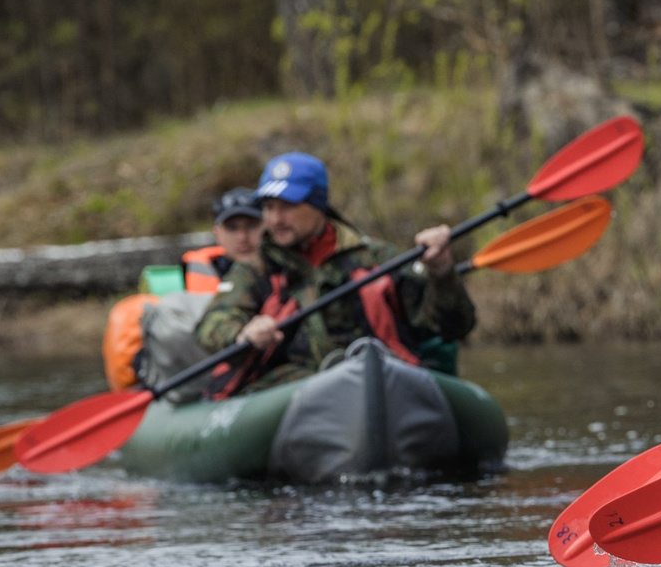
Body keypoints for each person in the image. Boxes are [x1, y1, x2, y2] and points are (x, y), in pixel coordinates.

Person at [194, 151, 476, 393]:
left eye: (288, 206)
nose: (275, 219)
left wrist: (442, 273)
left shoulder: (377, 258)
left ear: (319, 205)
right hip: (295, 388)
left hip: (382, 377)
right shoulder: (256, 268)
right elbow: (212, 324)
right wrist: (242, 332)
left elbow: (454, 326)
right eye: (268, 207)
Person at [181, 187, 266, 292]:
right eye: (232, 228)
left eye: (251, 226)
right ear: (216, 233)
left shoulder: (285, 271)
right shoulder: (183, 276)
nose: (242, 237)